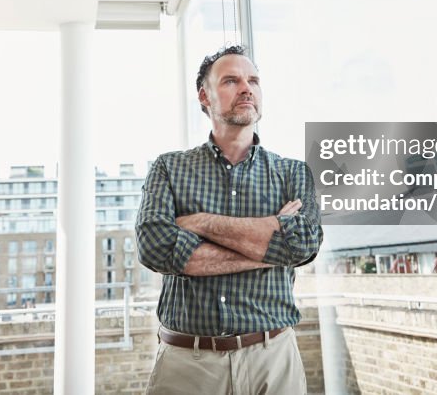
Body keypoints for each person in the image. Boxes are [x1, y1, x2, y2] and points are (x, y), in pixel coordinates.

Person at [136, 45, 323, 394]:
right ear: (204, 96)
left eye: (253, 79)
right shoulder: (169, 168)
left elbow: (303, 244)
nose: (246, 88)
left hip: (273, 360)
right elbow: (156, 249)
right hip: (186, 365)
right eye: (231, 81)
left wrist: (201, 223)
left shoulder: (293, 173)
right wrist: (269, 247)